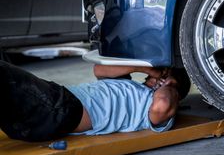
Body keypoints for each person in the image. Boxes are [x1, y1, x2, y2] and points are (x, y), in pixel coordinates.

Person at [0, 59, 190, 142]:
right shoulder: (131, 86)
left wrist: (171, 84)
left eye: (166, 75)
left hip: (62, 111)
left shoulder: (155, 106)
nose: (160, 76)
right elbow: (99, 69)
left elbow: (162, 105)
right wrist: (145, 69)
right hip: (47, 108)